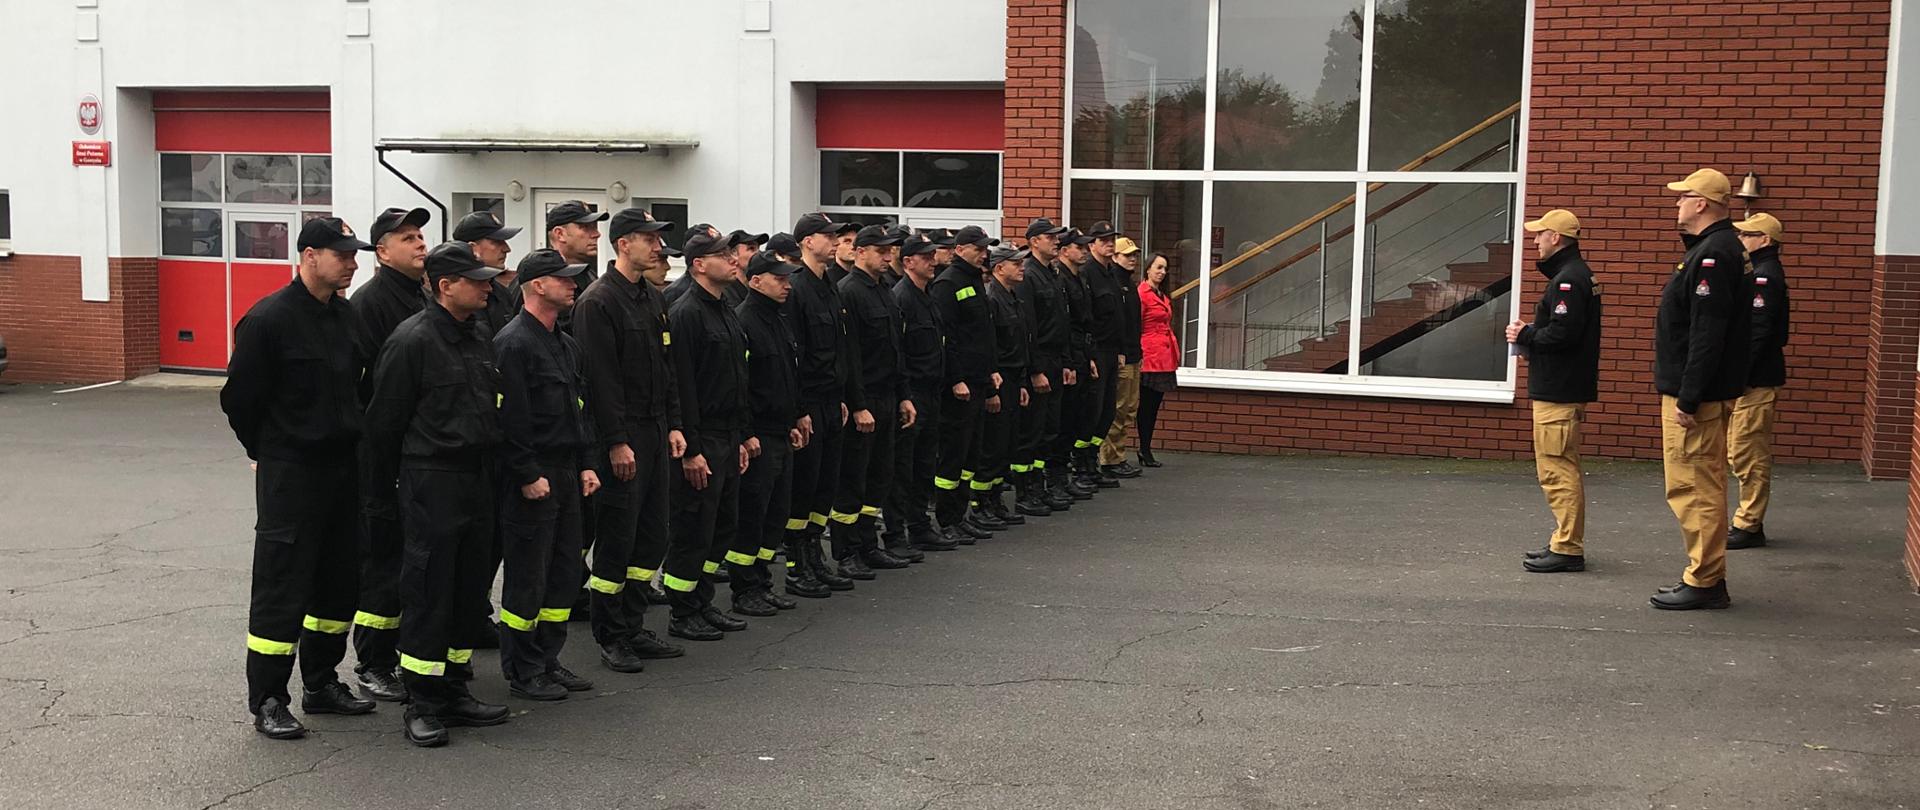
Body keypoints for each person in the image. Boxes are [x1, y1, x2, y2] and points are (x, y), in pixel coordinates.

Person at [222, 217, 378, 740]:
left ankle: (321, 683)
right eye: (343, 255)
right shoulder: (269, 319)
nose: (354, 263)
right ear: (310, 255)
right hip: (292, 472)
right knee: (282, 587)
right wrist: (264, 450)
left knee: (337, 583)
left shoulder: (346, 315)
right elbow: (240, 399)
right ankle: (268, 699)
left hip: (342, 469)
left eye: (355, 254)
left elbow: (359, 388)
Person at [363, 241, 513, 748]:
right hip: (432, 480)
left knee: (467, 592)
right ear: (446, 285)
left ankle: (453, 691)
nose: (488, 286)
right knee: (428, 591)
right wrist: (383, 500)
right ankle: (421, 704)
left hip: (477, 478)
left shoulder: (478, 335)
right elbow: (383, 427)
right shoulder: (413, 341)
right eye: (478, 279)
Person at [571, 207, 688, 671]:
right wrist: (617, 442)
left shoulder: (651, 297)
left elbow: (667, 369)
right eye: (649, 238)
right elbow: (600, 382)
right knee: (617, 539)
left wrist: (675, 424)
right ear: (623, 244)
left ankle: (635, 624)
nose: (659, 246)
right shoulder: (599, 302)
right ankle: (611, 634)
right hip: (622, 436)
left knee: (651, 535)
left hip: (656, 429)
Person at [492, 249, 601, 701]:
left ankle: (548, 658)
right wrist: (526, 473)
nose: (573, 284)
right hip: (532, 475)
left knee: (561, 573)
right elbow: (508, 420)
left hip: (566, 470)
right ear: (537, 285)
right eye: (564, 279)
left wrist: (587, 463)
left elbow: (580, 410)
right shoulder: (513, 343)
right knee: (528, 575)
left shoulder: (564, 341)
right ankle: (523, 668)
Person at [1650, 168, 1751, 610]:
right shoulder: (1712, 250)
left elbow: (1707, 334)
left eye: (1683, 197)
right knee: (1696, 483)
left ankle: (1706, 579)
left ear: (1702, 204)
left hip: (1697, 397)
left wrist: (1690, 397)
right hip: (1699, 391)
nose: (1677, 204)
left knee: (1695, 486)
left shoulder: (1713, 255)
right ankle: (1705, 574)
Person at [347, 205, 430, 703]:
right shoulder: (371, 304)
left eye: (421, 235)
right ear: (382, 251)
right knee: (383, 561)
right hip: (385, 458)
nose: (420, 243)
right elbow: (366, 392)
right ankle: (373, 662)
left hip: (419, 453)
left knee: (411, 559)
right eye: (407, 237)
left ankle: (401, 651)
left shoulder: (419, 294)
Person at [664, 227, 754, 640]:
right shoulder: (686, 314)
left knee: (720, 526)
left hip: (726, 435)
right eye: (724, 255)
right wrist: (692, 451)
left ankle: (701, 602)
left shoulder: (725, 309)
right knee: (693, 528)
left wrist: (739, 437)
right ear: (699, 264)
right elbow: (683, 387)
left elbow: (736, 379)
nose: (734, 259)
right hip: (703, 441)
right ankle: (683, 612)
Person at [1505, 210, 1602, 574]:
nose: (1535, 240)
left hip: (1558, 390)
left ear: (1557, 238)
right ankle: (1564, 539)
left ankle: (1568, 547)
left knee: (1557, 469)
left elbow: (1563, 334)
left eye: (1540, 234)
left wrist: (1525, 335)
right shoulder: (1574, 276)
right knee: (1560, 466)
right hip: (1563, 387)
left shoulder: (1568, 281)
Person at [833, 225, 919, 570]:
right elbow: (849, 356)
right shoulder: (849, 292)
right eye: (881, 251)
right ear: (860, 251)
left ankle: (868, 543)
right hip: (864, 401)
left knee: (880, 476)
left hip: (887, 397)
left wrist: (904, 396)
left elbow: (895, 350)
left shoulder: (884, 290)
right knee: (853, 478)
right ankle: (845, 552)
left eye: (890, 251)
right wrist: (858, 405)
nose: (888, 257)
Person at [783, 214, 860, 592]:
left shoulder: (831, 286)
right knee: (805, 485)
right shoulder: (796, 289)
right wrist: (799, 410)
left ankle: (815, 553)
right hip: (810, 402)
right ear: (807, 242)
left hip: (832, 400)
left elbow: (842, 349)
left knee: (826, 484)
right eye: (827, 237)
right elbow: (794, 355)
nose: (834, 242)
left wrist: (844, 397)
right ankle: (798, 564)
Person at [734, 252, 816, 606]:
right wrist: (747, 432)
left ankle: (762, 583)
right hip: (759, 435)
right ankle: (744, 588)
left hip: (781, 431)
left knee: (775, 514)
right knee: (752, 514)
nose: (787, 285)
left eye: (788, 279)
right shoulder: (745, 322)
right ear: (755, 281)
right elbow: (741, 386)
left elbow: (789, 376)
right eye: (779, 279)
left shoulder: (778, 320)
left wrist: (797, 416)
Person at [887, 234, 958, 556]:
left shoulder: (927, 296)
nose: (933, 262)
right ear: (908, 262)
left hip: (932, 392)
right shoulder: (901, 298)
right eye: (925, 257)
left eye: (933, 256)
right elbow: (898, 352)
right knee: (904, 468)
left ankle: (919, 527)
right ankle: (895, 534)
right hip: (913, 393)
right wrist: (904, 395)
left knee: (924, 466)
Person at [930, 226, 1001, 545]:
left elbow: (982, 334)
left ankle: (961, 515)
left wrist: (990, 373)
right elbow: (948, 338)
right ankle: (946, 518)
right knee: (954, 454)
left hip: (977, 380)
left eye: (986, 248)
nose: (984, 253)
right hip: (959, 385)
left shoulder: (974, 279)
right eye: (977, 248)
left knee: (972, 452)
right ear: (960, 250)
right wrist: (956, 378)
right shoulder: (948, 283)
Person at [1728, 213, 1790, 550]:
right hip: (1753, 378)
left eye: (1747, 235)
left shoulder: (1765, 277)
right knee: (1741, 449)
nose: (1740, 239)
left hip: (1756, 380)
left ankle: (1749, 524)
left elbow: (1759, 333)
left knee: (1748, 451)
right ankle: (1748, 520)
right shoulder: (1759, 273)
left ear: (1764, 240)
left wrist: (1741, 375)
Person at [1016, 219, 1073, 514]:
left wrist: (1064, 362)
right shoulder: (1029, 276)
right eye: (1050, 237)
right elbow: (1029, 328)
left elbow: (1060, 323)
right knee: (1033, 431)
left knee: (1050, 428)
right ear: (1034, 241)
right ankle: (1026, 491)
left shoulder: (1053, 273)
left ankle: (1042, 484)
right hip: (1039, 362)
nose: (1056, 242)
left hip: (1054, 360)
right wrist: (1035, 370)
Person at [979, 246, 1035, 526]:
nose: (1021, 267)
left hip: (1014, 379)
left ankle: (997, 498)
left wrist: (1023, 381)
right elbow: (991, 347)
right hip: (999, 380)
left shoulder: (1011, 297)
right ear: (1000, 268)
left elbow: (1019, 344)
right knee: (992, 445)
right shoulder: (992, 299)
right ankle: (981, 504)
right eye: (1016, 263)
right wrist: (993, 386)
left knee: (1006, 444)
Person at [1055, 229, 1101, 501]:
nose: (1084, 251)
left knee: (1079, 417)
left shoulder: (1080, 277)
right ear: (1064, 251)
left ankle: (1069, 474)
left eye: (1085, 247)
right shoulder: (1060, 278)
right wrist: (1070, 361)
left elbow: (1087, 321)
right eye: (1078, 247)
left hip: (1082, 352)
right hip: (1068, 355)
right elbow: (1064, 325)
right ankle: (1057, 478)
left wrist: (1090, 357)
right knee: (1064, 421)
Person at [1101, 236, 1145, 479]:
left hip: (1133, 354)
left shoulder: (1129, 284)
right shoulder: (1114, 283)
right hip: (1121, 356)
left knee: (1129, 409)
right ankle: (1109, 459)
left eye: (1134, 255)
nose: (1133, 259)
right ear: (1115, 257)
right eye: (1127, 255)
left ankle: (1118, 454)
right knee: (1118, 410)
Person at [1135, 253, 1178, 469]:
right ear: (1148, 269)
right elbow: (1137, 325)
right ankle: (1144, 448)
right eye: (1158, 268)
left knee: (1153, 405)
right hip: (1150, 355)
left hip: (1163, 355)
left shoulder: (1160, 294)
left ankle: (1146, 447)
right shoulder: (1142, 294)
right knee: (1146, 405)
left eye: (1164, 269)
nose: (1162, 272)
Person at [456, 210, 524, 337]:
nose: (507, 249)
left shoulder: (502, 293)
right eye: (497, 242)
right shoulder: (456, 296)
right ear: (472, 248)